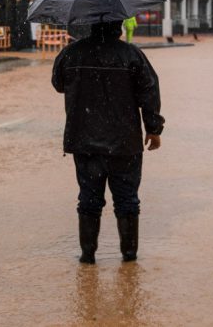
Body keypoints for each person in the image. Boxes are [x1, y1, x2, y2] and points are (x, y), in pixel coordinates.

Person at [52, 20, 165, 264]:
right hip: (125, 143)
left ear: (90, 25)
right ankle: (129, 258)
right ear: (119, 25)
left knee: (89, 199)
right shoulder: (132, 55)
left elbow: (58, 84)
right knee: (127, 200)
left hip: (84, 140)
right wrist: (153, 129)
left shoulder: (71, 53)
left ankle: (88, 256)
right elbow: (149, 91)